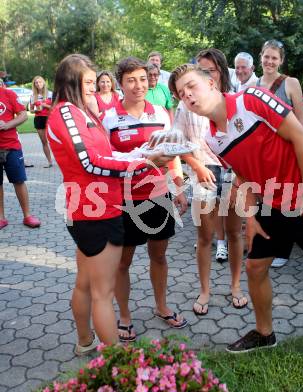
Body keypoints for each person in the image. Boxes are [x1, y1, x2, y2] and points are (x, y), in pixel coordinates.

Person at [169, 64, 303, 379]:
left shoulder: (252, 99)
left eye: (191, 86)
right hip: (272, 204)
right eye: (181, 93)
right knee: (255, 267)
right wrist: (252, 216)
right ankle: (264, 333)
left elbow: (302, 140)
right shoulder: (213, 139)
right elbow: (244, 176)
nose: (188, 95)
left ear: (211, 82)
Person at [47, 54, 171, 353]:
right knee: (102, 292)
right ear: (71, 81)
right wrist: (142, 165)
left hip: (93, 208)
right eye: (88, 82)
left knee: (86, 283)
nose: (94, 87)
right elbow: (90, 163)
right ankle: (117, 359)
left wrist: (139, 156)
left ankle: (85, 341)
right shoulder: (67, 113)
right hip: (96, 210)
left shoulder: (78, 112)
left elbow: (107, 155)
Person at [101, 56, 188, 341]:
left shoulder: (161, 113)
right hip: (123, 200)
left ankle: (161, 307)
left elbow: (172, 152)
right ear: (120, 84)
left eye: (142, 79)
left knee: (159, 255)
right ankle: (124, 316)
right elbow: (102, 160)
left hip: (158, 195)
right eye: (131, 80)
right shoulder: (109, 118)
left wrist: (178, 186)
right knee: (123, 262)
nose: (138, 85)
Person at [173, 48, 248, 316]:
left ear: (218, 75)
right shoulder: (186, 105)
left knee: (235, 232)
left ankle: (236, 286)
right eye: (200, 69)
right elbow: (177, 142)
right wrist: (195, 164)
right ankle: (205, 290)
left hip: (234, 173)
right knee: (204, 236)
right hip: (202, 173)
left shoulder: (235, 101)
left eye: (210, 70)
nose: (205, 74)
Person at [257, 39, 303, 268]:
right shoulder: (254, 85)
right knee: (268, 200)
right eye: (266, 56)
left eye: (274, 58)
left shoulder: (291, 83)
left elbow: (300, 120)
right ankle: (269, 245)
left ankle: (284, 250)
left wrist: (300, 149)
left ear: (281, 61)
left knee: (287, 199)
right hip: (265, 154)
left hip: (287, 151)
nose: (269, 61)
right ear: (261, 57)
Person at [0, 78, 41, 230]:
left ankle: (27, 215)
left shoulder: (8, 94)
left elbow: (23, 115)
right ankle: (1, 217)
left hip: (11, 146)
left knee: (19, 180)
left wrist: (6, 126)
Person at [30, 76, 53, 167]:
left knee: (55, 140)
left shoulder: (50, 94)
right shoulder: (33, 96)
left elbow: (55, 107)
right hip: (39, 119)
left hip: (50, 118)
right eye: (36, 82)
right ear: (34, 84)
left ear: (43, 83)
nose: (38, 84)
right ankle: (50, 162)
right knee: (44, 141)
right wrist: (36, 110)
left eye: (40, 82)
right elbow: (31, 110)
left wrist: (44, 105)